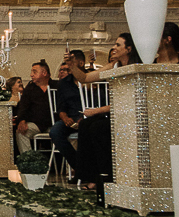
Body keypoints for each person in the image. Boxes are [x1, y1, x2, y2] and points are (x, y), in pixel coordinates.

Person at [65, 34, 141, 188]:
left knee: (98, 128)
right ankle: (91, 176)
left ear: (129, 49)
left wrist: (96, 110)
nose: (114, 48)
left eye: (118, 45)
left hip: (133, 113)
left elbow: (128, 100)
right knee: (86, 126)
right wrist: (72, 66)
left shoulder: (137, 67)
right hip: (117, 113)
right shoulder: (114, 66)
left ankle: (106, 176)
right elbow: (85, 78)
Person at [48, 51, 85, 174]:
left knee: (87, 130)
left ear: (81, 63)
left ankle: (85, 169)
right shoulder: (64, 83)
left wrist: (83, 117)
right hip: (70, 117)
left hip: (89, 116)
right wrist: (65, 118)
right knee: (55, 131)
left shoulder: (91, 80)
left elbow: (97, 102)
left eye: (71, 63)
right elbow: (61, 107)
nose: (69, 66)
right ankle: (79, 166)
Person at [12, 60, 53, 154]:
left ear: (44, 73)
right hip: (37, 124)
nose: (31, 75)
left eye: (34, 72)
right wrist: (22, 120)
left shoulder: (56, 86)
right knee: (21, 132)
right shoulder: (30, 89)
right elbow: (23, 106)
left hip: (56, 121)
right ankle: (29, 160)